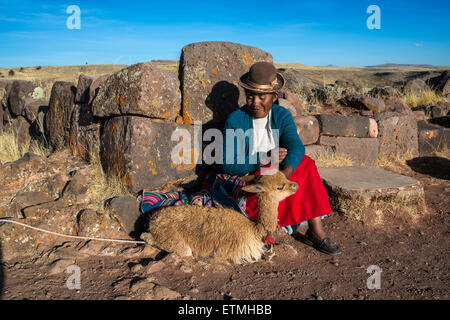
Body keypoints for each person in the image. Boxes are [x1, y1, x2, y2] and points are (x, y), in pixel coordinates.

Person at [221, 61, 341, 255]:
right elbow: (228, 164)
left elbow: (295, 145)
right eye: (250, 96)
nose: (255, 102)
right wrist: (262, 158)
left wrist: (285, 173)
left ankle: (315, 229)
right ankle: (272, 225)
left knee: (306, 164)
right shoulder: (235, 120)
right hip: (252, 177)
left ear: (274, 96)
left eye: (262, 97)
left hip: (277, 174)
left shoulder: (281, 115)